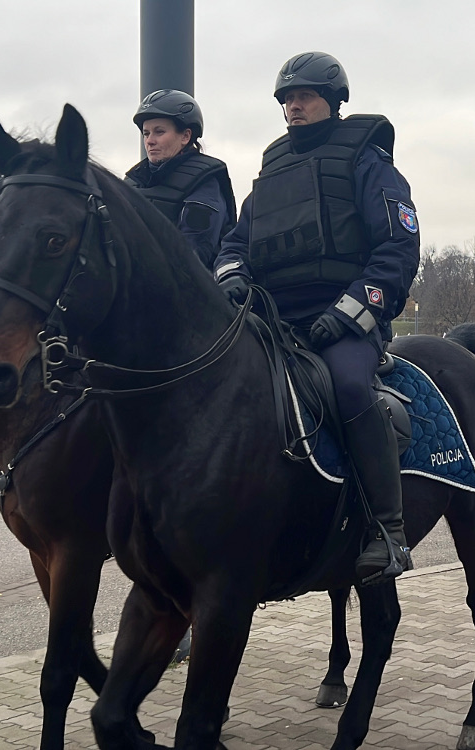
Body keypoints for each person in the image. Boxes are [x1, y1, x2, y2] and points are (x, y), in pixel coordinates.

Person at [213, 51, 420, 585]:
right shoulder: (273, 165)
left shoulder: (367, 160)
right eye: (286, 99)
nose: (293, 107)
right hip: (277, 321)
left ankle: (387, 532)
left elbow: (397, 249)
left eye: (303, 97)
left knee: (350, 387)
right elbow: (237, 240)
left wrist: (351, 312)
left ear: (332, 101)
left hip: (345, 319)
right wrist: (232, 272)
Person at [125, 89, 237, 270]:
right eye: (146, 133)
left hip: (188, 293)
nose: (150, 141)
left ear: (185, 136)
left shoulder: (204, 182)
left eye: (159, 132)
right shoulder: (131, 183)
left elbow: (194, 251)